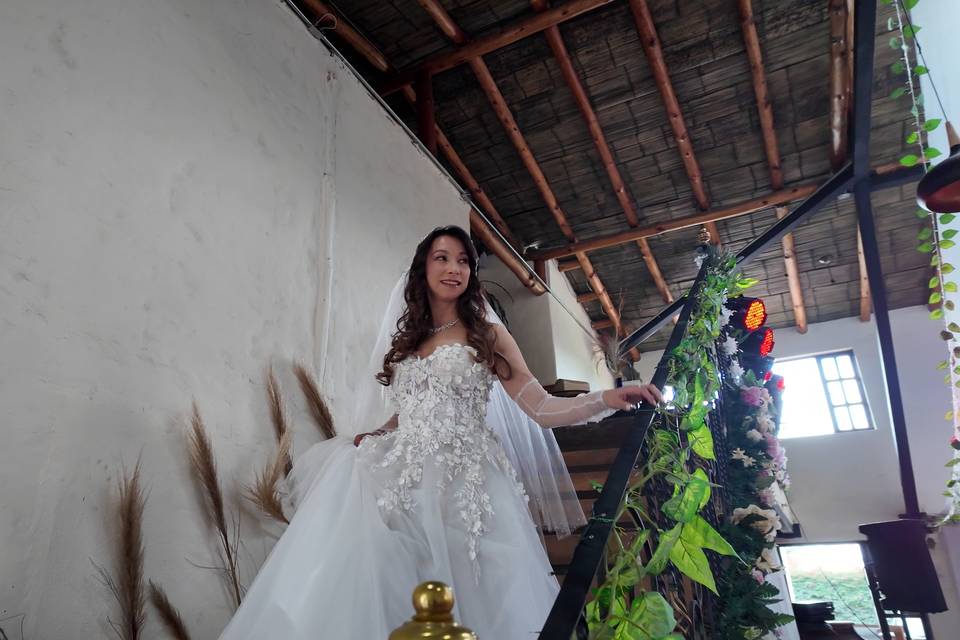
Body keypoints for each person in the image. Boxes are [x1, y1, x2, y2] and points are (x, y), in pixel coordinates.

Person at [217, 226, 661, 639]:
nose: (454, 269)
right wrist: (379, 432)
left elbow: (541, 407)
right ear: (422, 270)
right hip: (403, 476)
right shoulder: (409, 340)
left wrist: (605, 400)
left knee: (476, 598)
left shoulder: (488, 335)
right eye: (442, 258)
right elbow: (411, 409)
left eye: (464, 261)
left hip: (466, 484)